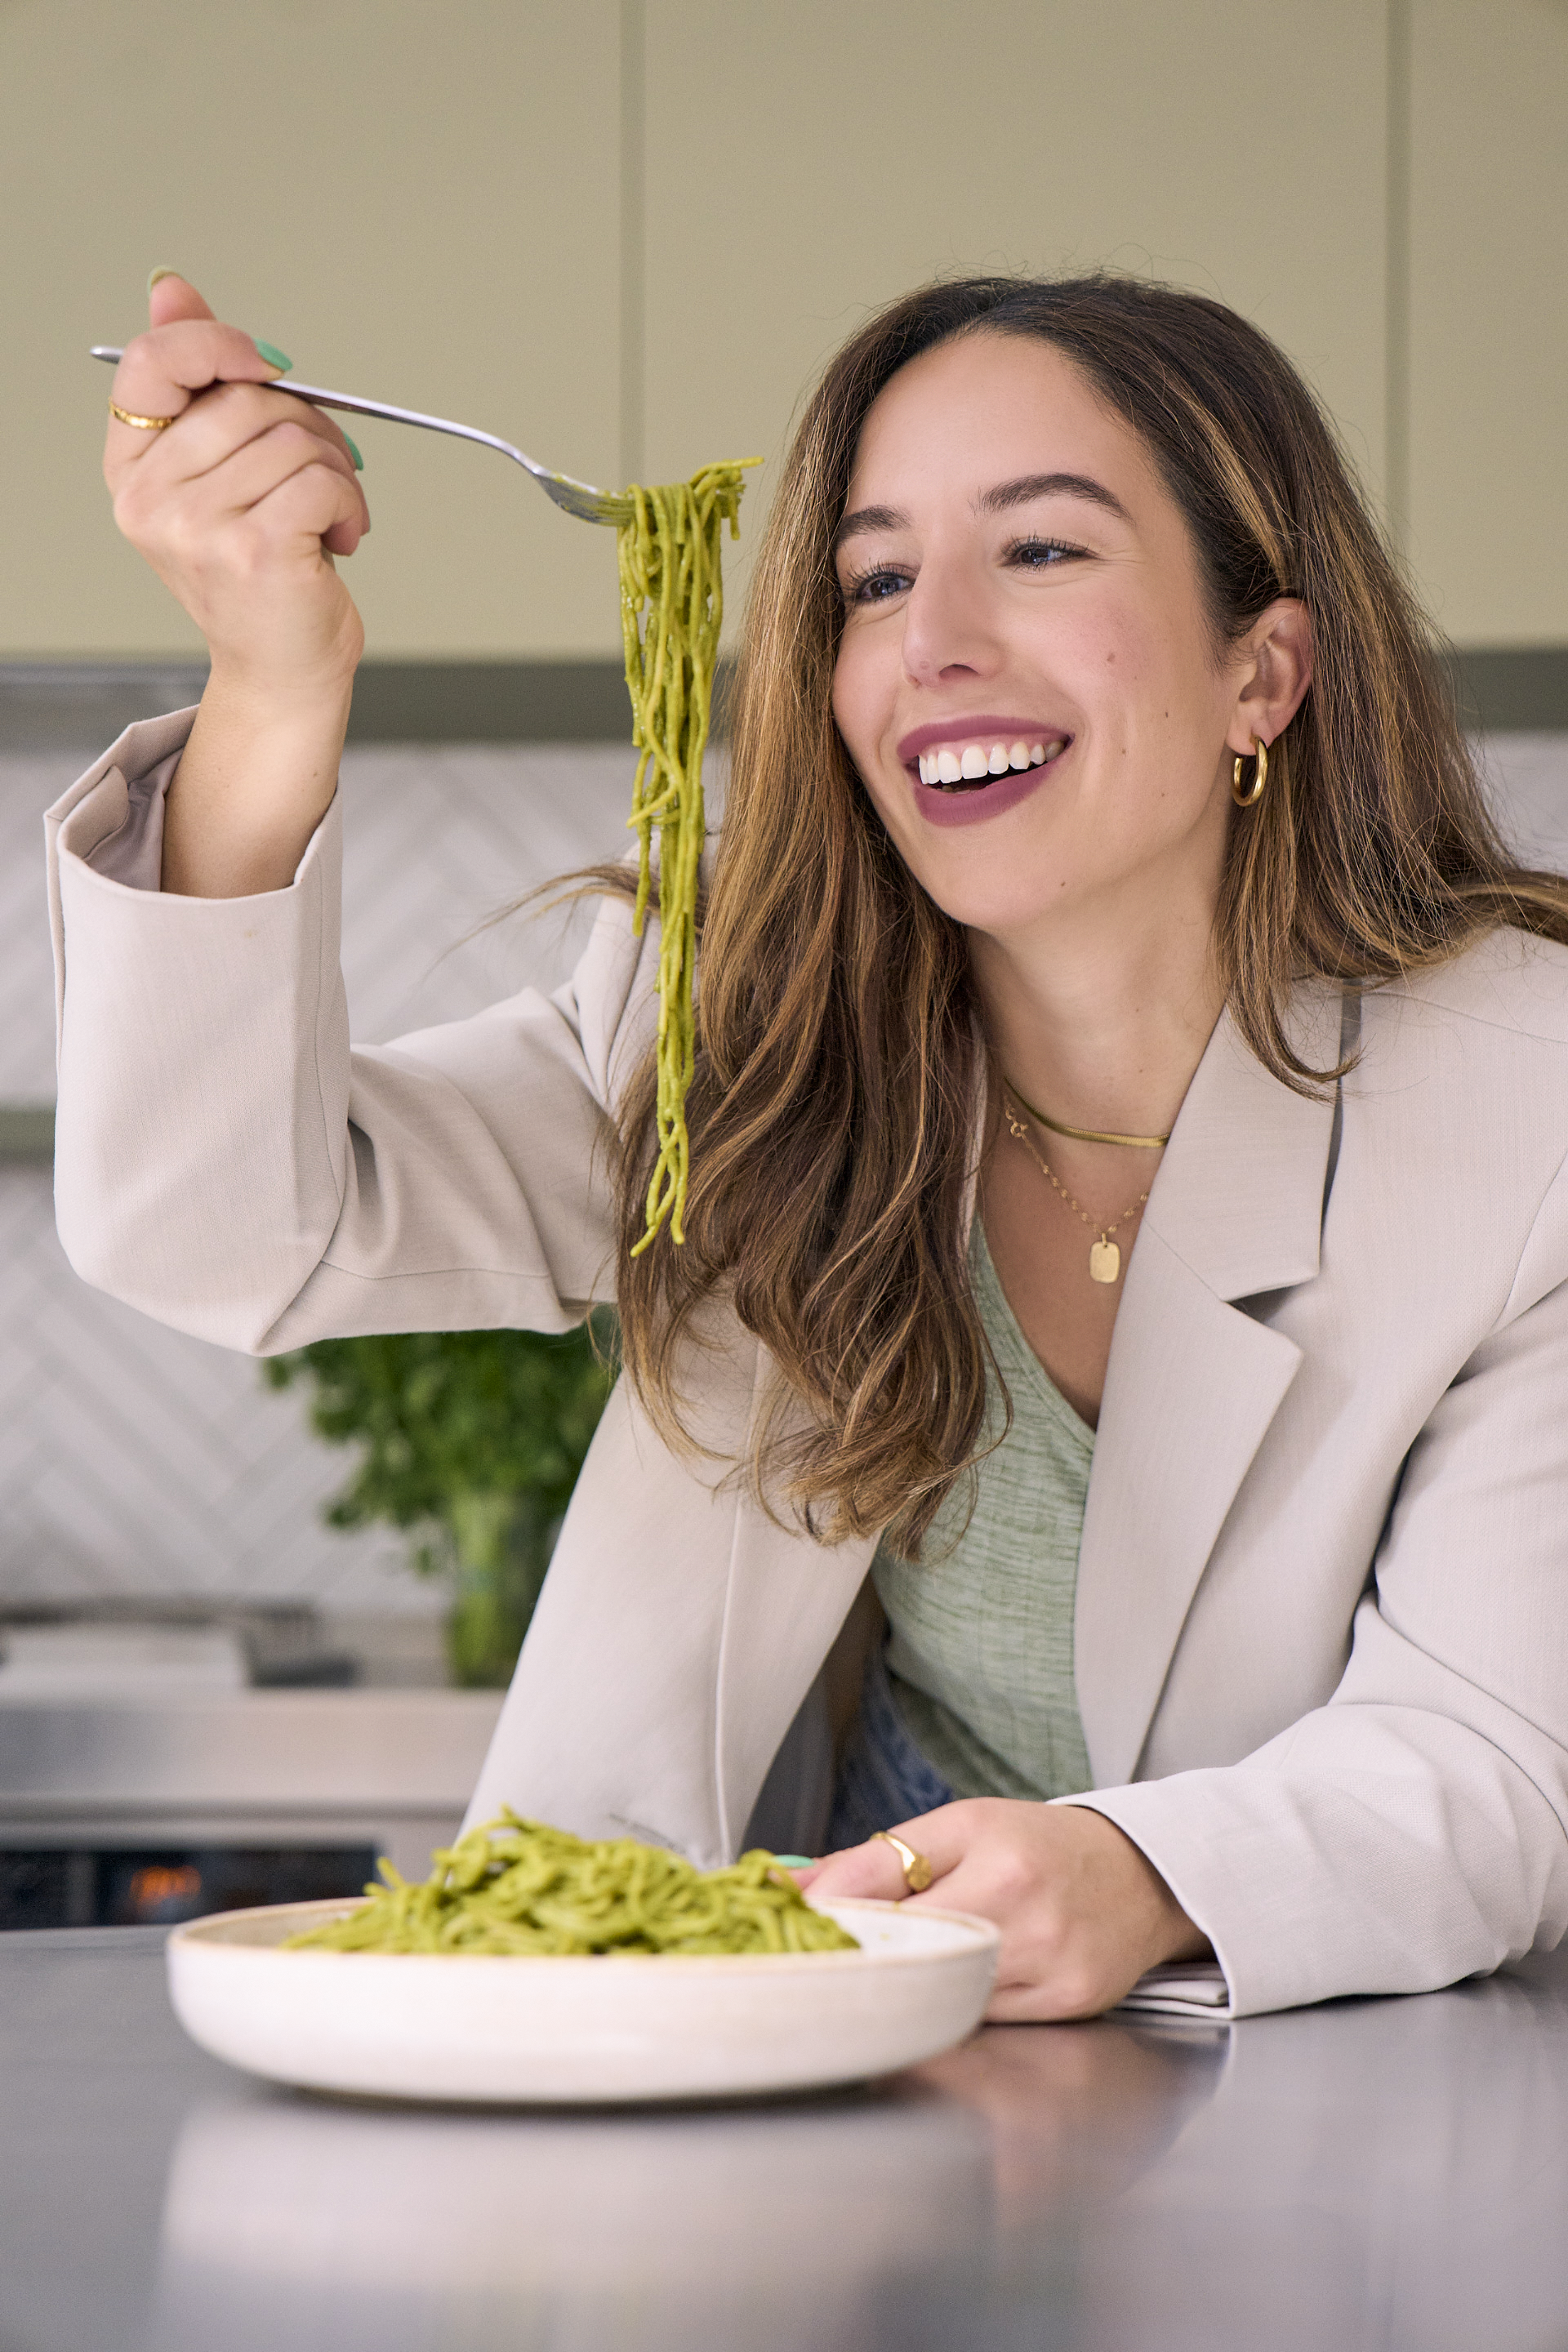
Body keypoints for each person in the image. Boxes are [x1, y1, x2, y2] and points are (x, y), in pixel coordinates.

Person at [49, 270, 1568, 2020]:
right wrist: (270, 684)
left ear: (1264, 669)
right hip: (798, 2015)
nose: (934, 644)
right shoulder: (721, 1031)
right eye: (875, 577)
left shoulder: (1516, 1097)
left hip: (1332, 2034)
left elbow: (1495, 1755)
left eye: (1046, 551)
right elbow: (221, 1226)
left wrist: (1148, 1876)